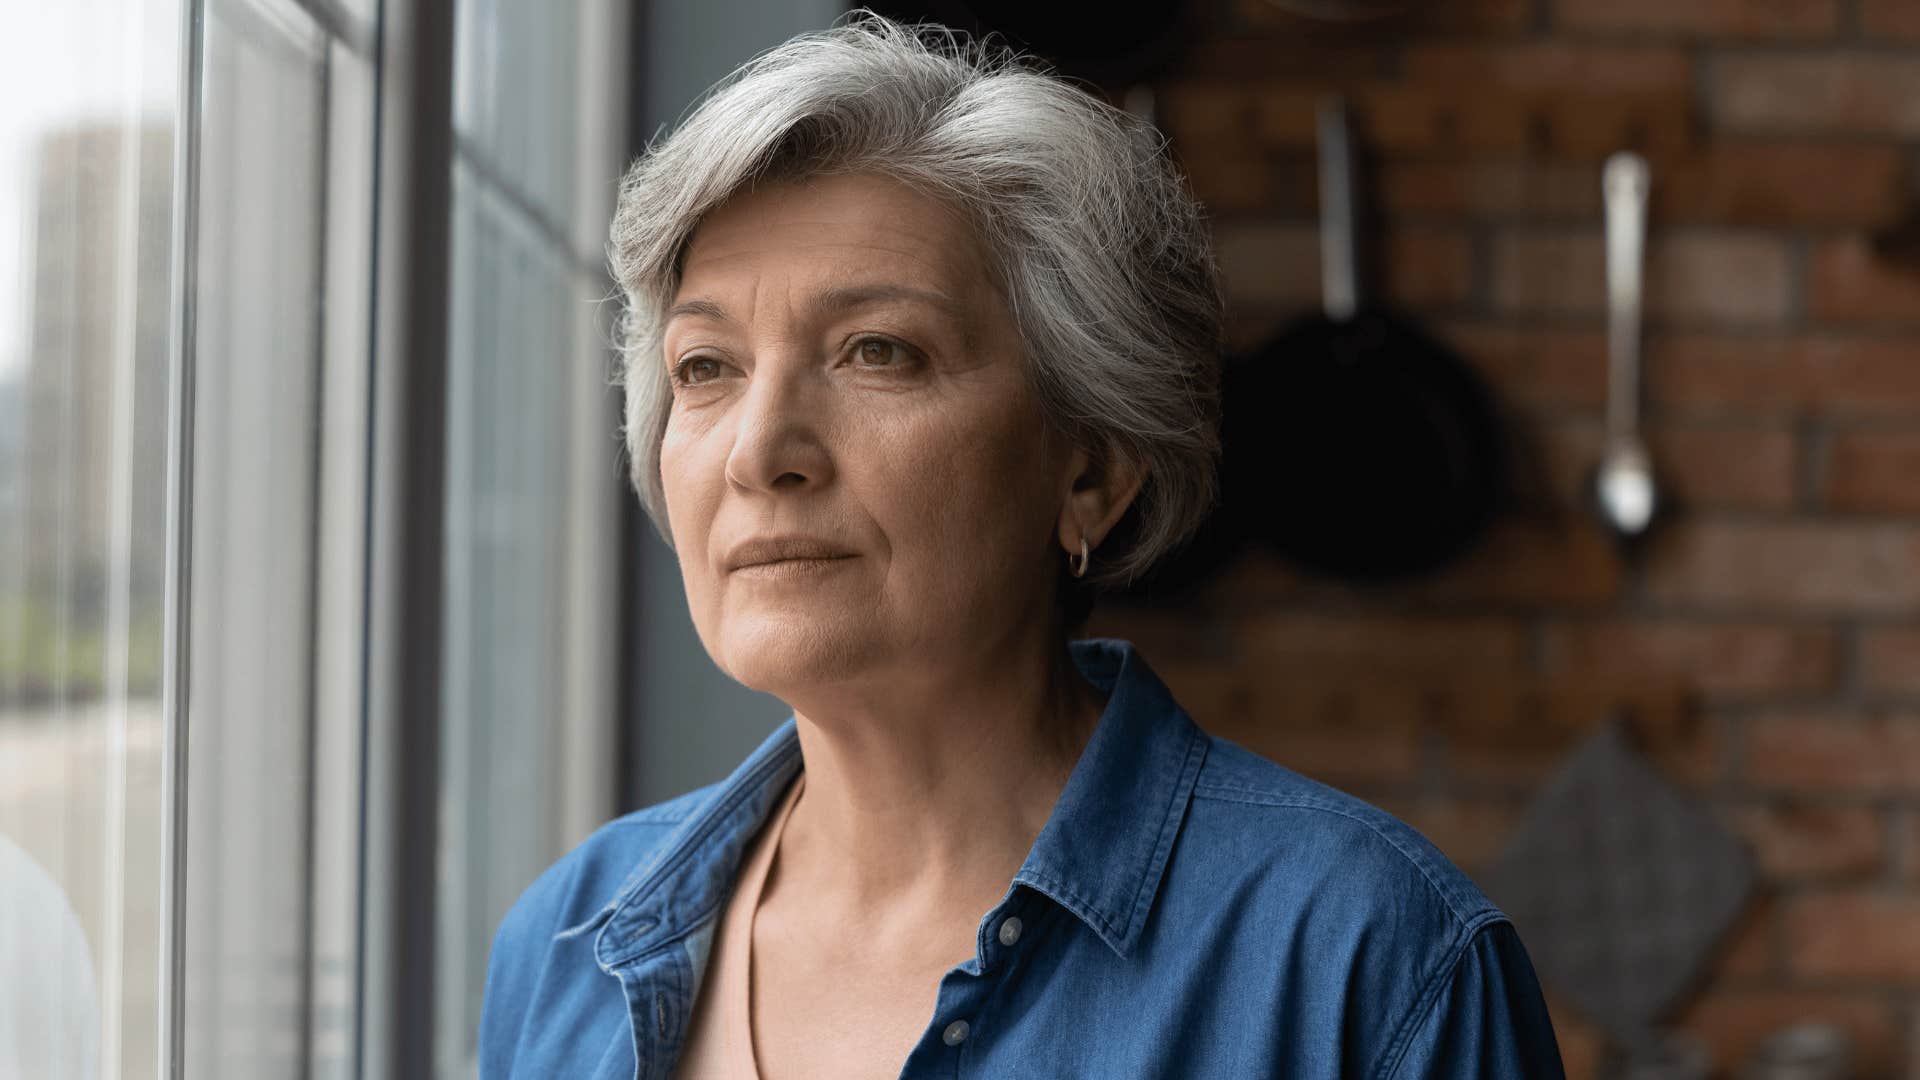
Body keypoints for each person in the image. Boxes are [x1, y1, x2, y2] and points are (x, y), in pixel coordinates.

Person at [480, 14, 1564, 1079]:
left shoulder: (1370, 965)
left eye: (878, 351)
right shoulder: (565, 943)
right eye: (706, 367)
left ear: (1089, 467)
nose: (760, 453)